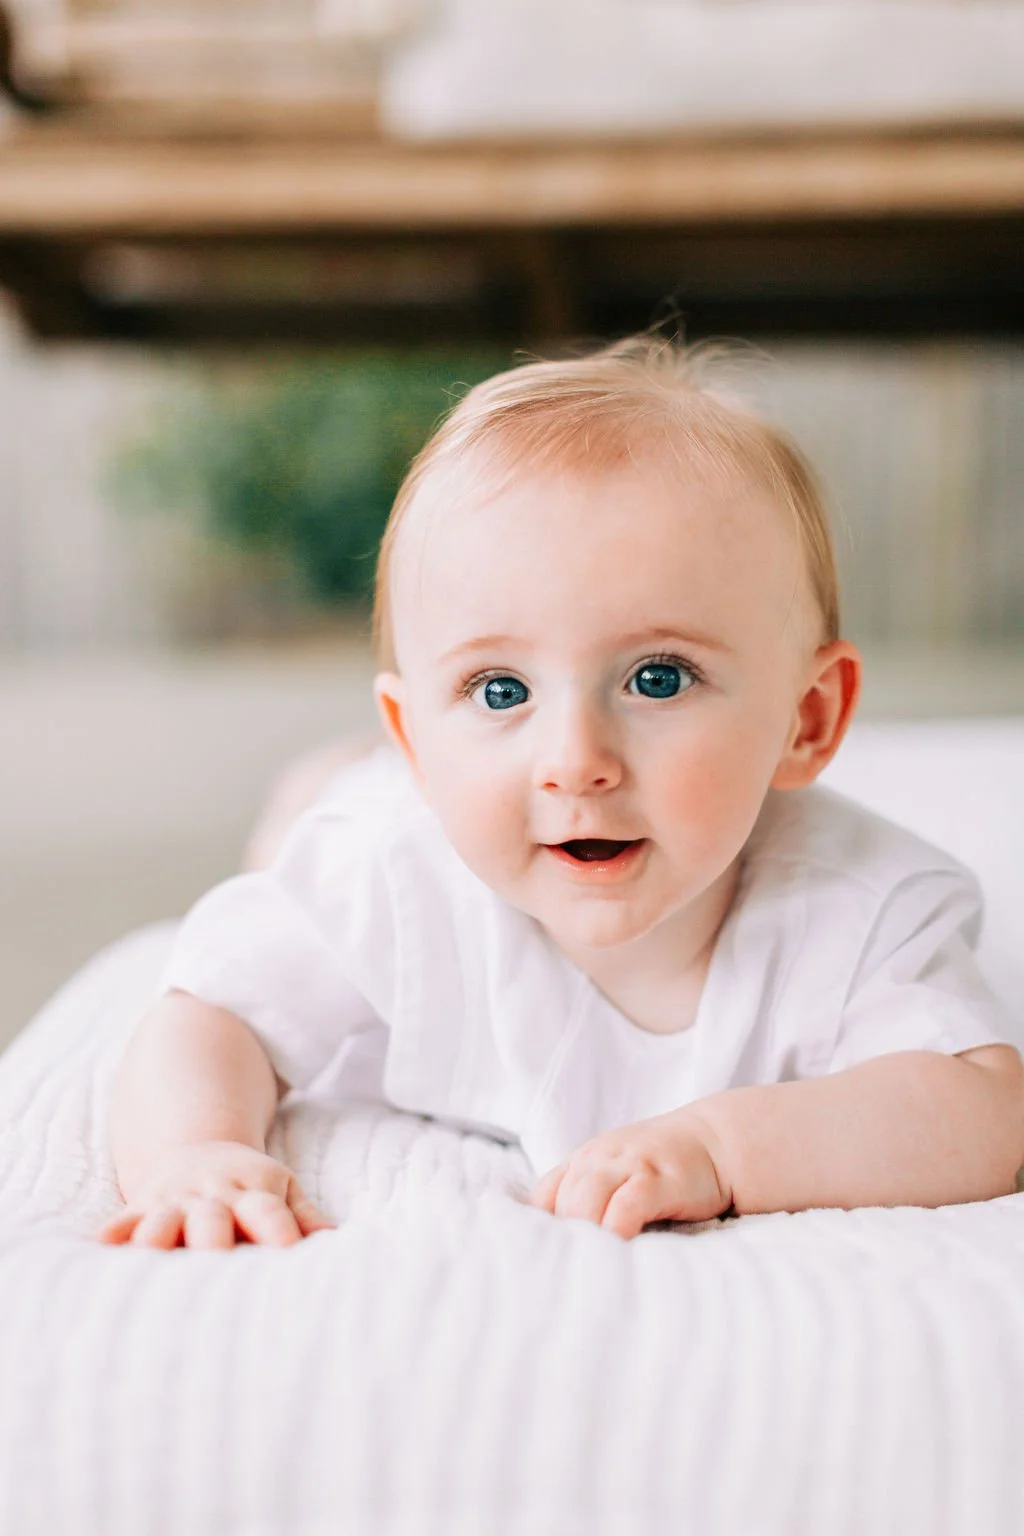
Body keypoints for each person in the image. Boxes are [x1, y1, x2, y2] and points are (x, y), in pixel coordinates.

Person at [98, 338, 1024, 1251]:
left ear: (807, 719)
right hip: (378, 814)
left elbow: (980, 1111)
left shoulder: (853, 912)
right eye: (500, 690)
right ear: (416, 736)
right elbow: (207, 1014)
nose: (576, 761)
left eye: (658, 679)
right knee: (308, 831)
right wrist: (197, 1151)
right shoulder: (388, 878)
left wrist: (721, 1145)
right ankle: (332, 779)